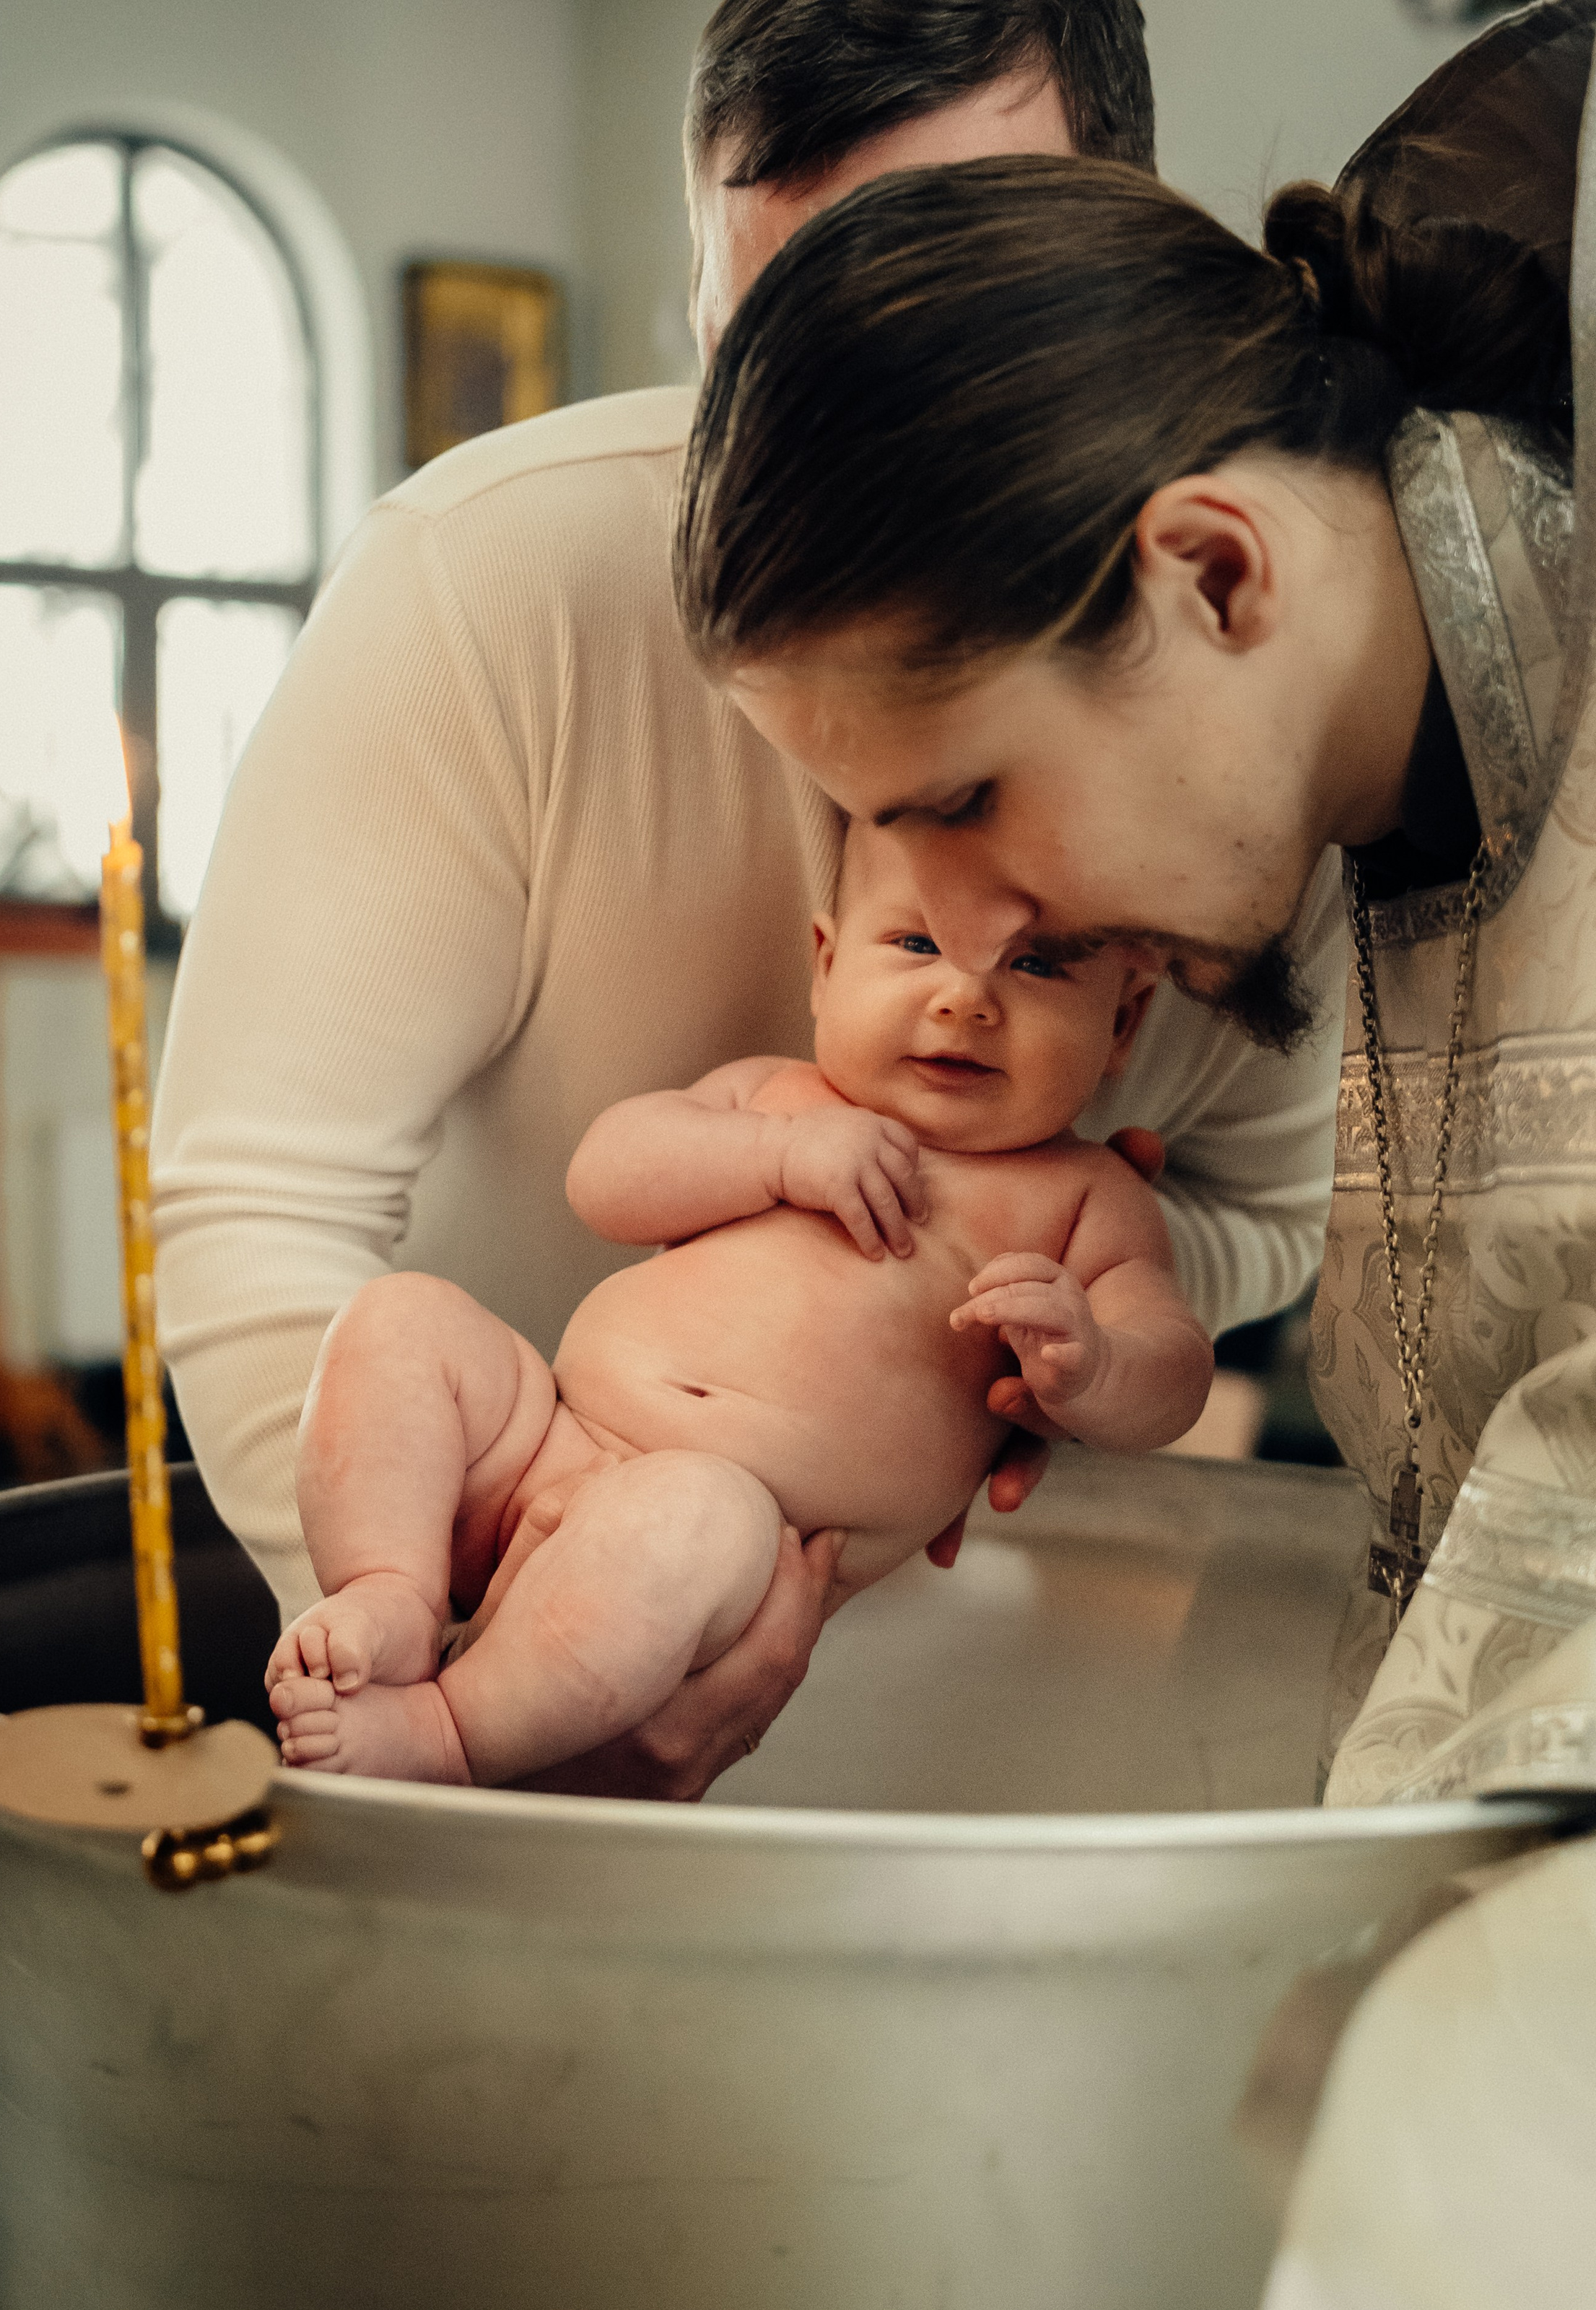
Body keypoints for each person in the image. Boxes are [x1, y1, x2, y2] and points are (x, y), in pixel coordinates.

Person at [152, 0, 1344, 1800]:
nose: (831, 452)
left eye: (936, 336)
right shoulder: (482, 592)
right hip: (489, 1571)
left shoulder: (1245, 696)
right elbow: (259, 1202)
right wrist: (466, 1648)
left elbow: (1270, 1199)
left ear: (1106, 253)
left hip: (983, 1681)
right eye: (763, 347)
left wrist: (1083, 1329)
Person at [673, 4, 1596, 2291]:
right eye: (883, 838)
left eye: (968, 798)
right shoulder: (1381, 818)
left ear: (1211, 576)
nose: (961, 942)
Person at [267, 824, 1211, 1783]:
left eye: (1037, 966)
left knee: (691, 1515)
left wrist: (1093, 1362)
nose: (964, 999)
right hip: (541, 1434)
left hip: (725, 1543)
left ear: (1123, 1026)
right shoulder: (774, 1095)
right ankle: (390, 1589)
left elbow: (1172, 1364)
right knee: (403, 1318)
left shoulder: (1088, 1200)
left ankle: (449, 1734)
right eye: (918, 945)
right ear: (826, 963)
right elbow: (607, 1176)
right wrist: (773, 1157)